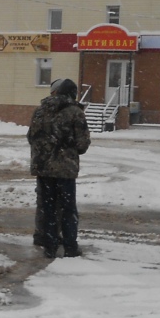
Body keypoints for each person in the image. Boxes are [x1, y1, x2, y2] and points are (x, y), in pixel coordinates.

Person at [27, 78, 91, 258]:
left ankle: (49, 246)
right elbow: (82, 144)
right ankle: (70, 246)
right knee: (68, 209)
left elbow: (31, 137)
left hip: (43, 169)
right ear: (72, 94)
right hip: (65, 169)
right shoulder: (75, 112)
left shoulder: (39, 111)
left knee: (47, 207)